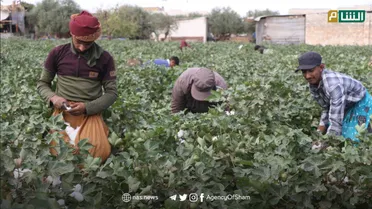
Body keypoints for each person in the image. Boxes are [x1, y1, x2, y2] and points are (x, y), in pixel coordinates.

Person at [37, 11, 117, 163]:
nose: (81, 47)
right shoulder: (57, 53)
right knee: (56, 149)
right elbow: (42, 83)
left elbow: (111, 93)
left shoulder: (105, 58)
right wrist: (54, 98)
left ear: (95, 39)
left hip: (90, 113)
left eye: (87, 44)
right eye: (78, 41)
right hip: (62, 112)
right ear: (71, 34)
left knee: (98, 150)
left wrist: (87, 107)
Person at [296, 51, 372, 142]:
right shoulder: (313, 84)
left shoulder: (333, 85)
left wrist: (327, 142)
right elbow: (326, 108)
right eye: (304, 72)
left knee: (352, 139)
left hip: (361, 102)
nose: (307, 76)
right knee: (335, 131)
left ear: (321, 67)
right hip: (346, 104)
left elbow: (336, 121)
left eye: (311, 70)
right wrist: (319, 133)